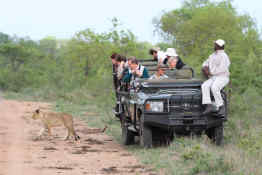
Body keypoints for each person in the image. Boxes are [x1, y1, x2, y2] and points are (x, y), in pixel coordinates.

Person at [202, 39, 231, 115]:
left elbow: (222, 69)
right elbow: (205, 63)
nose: (214, 46)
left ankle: (221, 107)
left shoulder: (224, 56)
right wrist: (205, 67)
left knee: (214, 87)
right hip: (214, 77)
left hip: (223, 77)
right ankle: (209, 105)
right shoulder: (212, 55)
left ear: (219, 46)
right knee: (204, 86)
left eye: (215, 44)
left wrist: (210, 72)